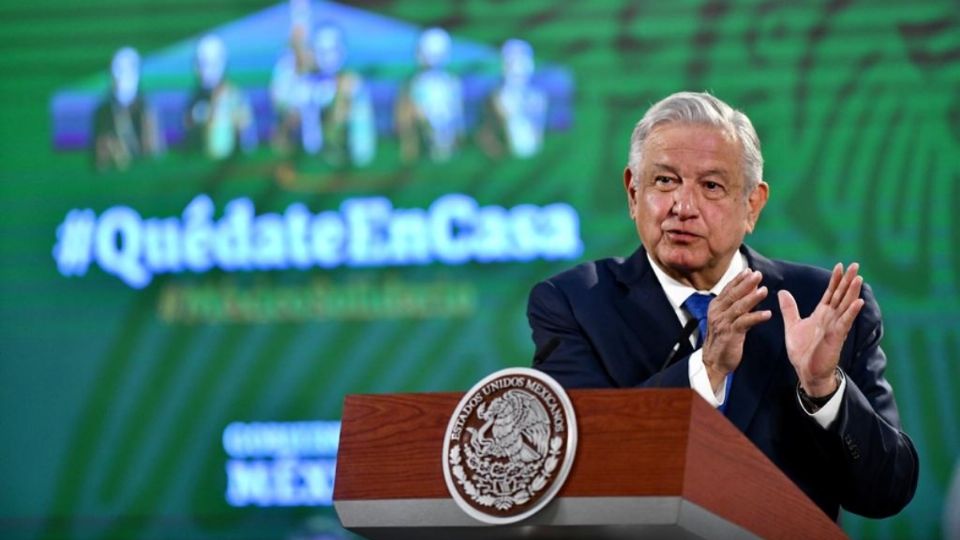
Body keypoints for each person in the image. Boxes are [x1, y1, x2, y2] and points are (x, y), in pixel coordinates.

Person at [526, 91, 918, 520]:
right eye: (664, 181)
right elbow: (579, 461)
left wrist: (824, 389)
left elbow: (887, 492)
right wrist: (706, 369)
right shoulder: (575, 303)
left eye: (711, 186)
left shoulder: (823, 306)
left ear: (752, 204)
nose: (683, 206)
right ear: (632, 192)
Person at [269, 19, 376, 166]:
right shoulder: (302, 82)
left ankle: (341, 150)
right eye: (322, 51)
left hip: (343, 143)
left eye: (332, 50)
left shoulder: (352, 83)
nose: (328, 57)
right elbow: (281, 100)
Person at [394, 27, 464, 162]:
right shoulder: (414, 84)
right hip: (425, 141)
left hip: (445, 137)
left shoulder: (450, 83)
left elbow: (456, 115)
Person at [183, 34, 257, 160]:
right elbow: (189, 131)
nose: (198, 70)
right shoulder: (197, 97)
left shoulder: (235, 96)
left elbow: (247, 136)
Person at [92, 47, 165, 171]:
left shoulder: (145, 109)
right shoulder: (104, 111)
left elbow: (153, 155)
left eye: (126, 73)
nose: (120, 79)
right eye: (117, 73)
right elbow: (99, 161)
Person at [477, 39, 548, 159]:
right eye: (512, 63)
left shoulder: (537, 98)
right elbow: (486, 134)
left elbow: (539, 132)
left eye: (522, 62)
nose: (518, 68)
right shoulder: (494, 98)